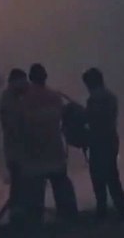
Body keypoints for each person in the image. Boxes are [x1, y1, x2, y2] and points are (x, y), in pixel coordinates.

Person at [17, 63, 79, 223]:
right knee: (60, 184)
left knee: (36, 189)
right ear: (45, 77)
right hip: (55, 148)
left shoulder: (24, 99)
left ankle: (35, 219)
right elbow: (63, 119)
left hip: (35, 151)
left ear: (30, 78)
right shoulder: (55, 97)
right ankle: (68, 216)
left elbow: (21, 126)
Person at [82, 67, 124, 221]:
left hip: (99, 141)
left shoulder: (94, 99)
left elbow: (90, 118)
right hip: (111, 140)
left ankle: (102, 210)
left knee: (98, 178)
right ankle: (121, 208)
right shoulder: (111, 97)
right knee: (113, 175)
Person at [0, 68, 29, 224]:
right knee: (18, 183)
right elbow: (13, 126)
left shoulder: (13, 98)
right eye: (23, 81)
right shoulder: (9, 100)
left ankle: (19, 213)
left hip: (16, 149)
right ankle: (17, 216)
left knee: (20, 183)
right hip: (16, 150)